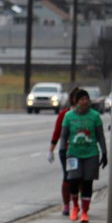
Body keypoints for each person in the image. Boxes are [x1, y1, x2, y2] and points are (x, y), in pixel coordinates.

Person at [59, 89, 108, 223]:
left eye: (86, 99)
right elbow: (63, 135)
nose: (85, 101)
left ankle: (85, 211)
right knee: (73, 180)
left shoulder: (95, 116)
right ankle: (75, 206)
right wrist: (62, 149)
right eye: (82, 99)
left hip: (91, 153)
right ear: (76, 101)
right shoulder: (68, 116)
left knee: (87, 182)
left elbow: (100, 136)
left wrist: (104, 152)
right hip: (73, 153)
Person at [48, 87, 80, 215]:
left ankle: (78, 204)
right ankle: (67, 205)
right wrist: (51, 150)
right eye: (79, 98)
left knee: (81, 179)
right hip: (66, 151)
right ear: (73, 99)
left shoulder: (88, 114)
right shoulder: (64, 114)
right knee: (69, 177)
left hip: (82, 151)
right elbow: (57, 133)